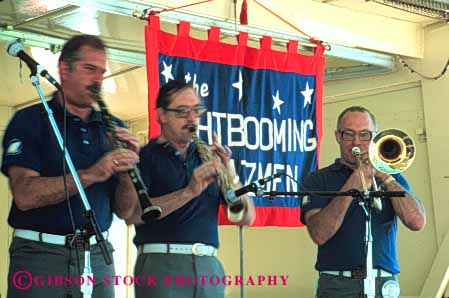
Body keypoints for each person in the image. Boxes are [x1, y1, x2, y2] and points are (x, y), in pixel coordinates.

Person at [2, 34, 139, 297]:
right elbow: (25, 195)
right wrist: (93, 173)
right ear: (64, 69)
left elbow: (125, 211)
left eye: (101, 72)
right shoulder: (30, 119)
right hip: (40, 256)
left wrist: (127, 174)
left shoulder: (114, 127)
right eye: (90, 69)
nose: (98, 80)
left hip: (98, 256)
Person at [123, 79, 256, 298]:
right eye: (183, 112)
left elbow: (246, 217)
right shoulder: (144, 156)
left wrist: (229, 171)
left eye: (196, 111)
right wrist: (189, 192)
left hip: (208, 265)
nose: (192, 119)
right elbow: (133, 215)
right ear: (162, 115)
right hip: (162, 264)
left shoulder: (208, 156)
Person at [300, 106, 426, 298]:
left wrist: (385, 176)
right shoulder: (318, 179)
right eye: (349, 134)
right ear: (337, 136)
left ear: (374, 137)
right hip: (338, 284)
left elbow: (417, 222)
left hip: (384, 283)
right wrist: (352, 184)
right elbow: (319, 234)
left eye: (365, 134)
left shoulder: (393, 178)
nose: (356, 142)